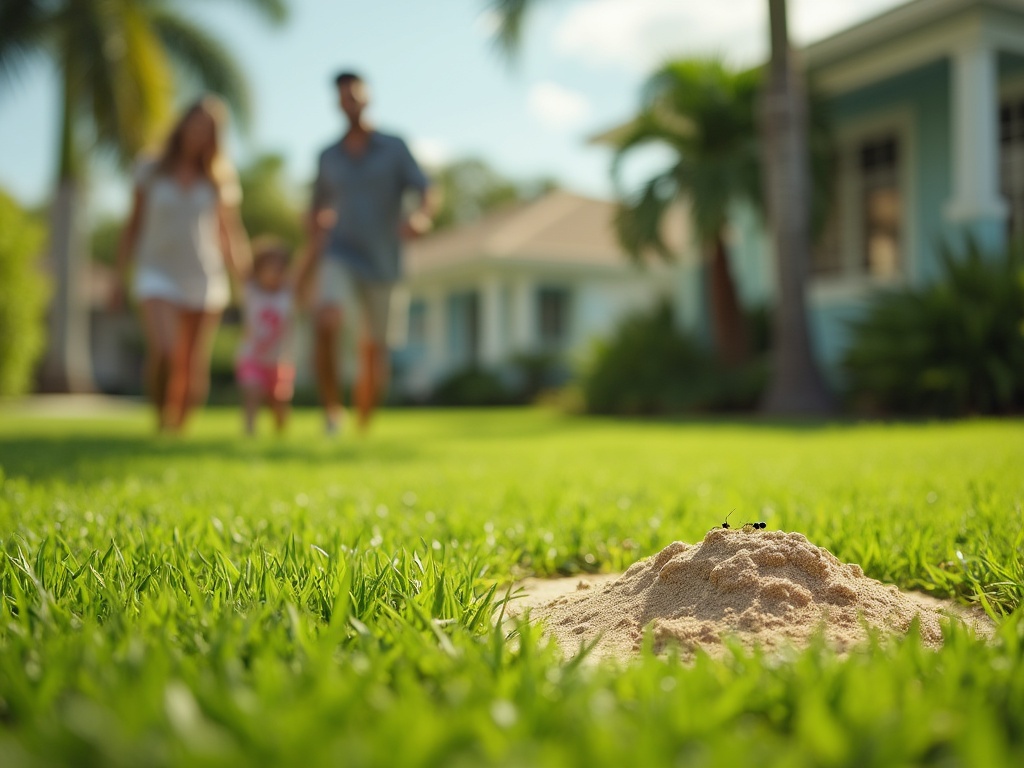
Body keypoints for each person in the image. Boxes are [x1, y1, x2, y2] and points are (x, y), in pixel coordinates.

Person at [296, 70, 436, 434]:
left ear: (368, 97)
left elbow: (425, 187)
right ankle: (332, 412)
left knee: (376, 349)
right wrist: (314, 226)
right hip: (340, 253)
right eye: (344, 97)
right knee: (327, 319)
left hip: (384, 261)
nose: (351, 102)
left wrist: (421, 217)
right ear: (337, 103)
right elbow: (316, 207)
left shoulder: (394, 147)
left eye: (356, 95)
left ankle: (364, 422)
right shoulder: (328, 155)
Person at [114, 95, 249, 432]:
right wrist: (118, 276)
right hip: (156, 270)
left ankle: (180, 429)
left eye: (208, 129)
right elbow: (132, 225)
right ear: (183, 125)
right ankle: (162, 418)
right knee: (166, 350)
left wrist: (246, 280)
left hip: (204, 273)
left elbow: (229, 232)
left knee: (192, 362)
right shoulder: (150, 169)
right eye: (196, 124)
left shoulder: (220, 176)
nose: (199, 133)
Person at [236, 238, 295, 435]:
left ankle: (281, 431)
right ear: (258, 269)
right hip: (252, 358)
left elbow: (305, 267)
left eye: (280, 268)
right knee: (252, 392)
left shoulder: (288, 294)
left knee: (279, 402)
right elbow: (234, 258)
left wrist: (316, 241)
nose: (275, 272)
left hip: (280, 361)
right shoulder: (251, 292)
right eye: (269, 267)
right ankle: (250, 431)